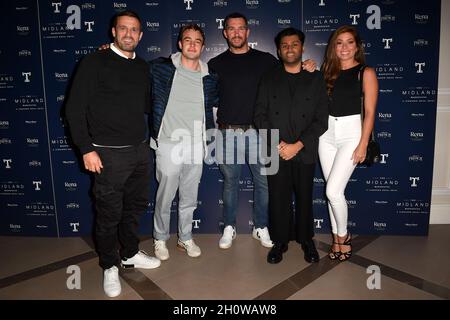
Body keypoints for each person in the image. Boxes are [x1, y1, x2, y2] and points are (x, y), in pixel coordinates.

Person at [65, 11, 161, 298]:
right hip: (106, 154)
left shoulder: (143, 67)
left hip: (139, 151)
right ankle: (109, 265)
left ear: (141, 35)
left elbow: (147, 105)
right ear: (113, 32)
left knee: (133, 209)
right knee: (108, 214)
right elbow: (73, 108)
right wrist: (86, 149)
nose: (129, 34)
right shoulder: (94, 62)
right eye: (124, 29)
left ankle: (130, 252)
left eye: (134, 30)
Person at [208, 12, 315, 250]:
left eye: (241, 28)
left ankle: (261, 226)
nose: (236, 33)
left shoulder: (266, 60)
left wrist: (308, 65)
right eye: (231, 29)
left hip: (260, 133)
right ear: (225, 33)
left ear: (248, 32)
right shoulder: (215, 64)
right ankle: (229, 226)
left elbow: (291, 68)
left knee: (264, 183)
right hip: (227, 133)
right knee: (230, 182)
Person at [254, 27, 329, 264]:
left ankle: (307, 240)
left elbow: (321, 119)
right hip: (276, 150)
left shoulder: (315, 77)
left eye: (294, 44)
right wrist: (280, 144)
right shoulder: (268, 77)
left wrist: (298, 145)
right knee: (278, 197)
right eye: (285, 45)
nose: (289, 48)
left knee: (305, 196)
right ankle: (280, 242)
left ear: (302, 47)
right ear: (278, 49)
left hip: (304, 150)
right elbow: (260, 116)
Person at [150, 24, 219, 261]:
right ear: (180, 44)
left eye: (197, 41)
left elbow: (214, 107)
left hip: (195, 144)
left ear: (202, 46)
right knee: (165, 195)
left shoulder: (209, 77)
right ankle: (160, 238)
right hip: (168, 142)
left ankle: (185, 237)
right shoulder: (160, 68)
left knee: (189, 196)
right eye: (187, 40)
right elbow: (130, 67)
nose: (192, 44)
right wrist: (109, 50)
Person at [319, 25, 378, 261]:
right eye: (339, 42)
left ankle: (343, 237)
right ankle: (336, 238)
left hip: (351, 133)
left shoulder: (366, 72)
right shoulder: (326, 71)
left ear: (357, 46)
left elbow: (371, 112)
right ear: (334, 47)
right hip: (326, 134)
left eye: (349, 42)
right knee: (333, 192)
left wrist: (363, 143)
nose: (344, 47)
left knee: (332, 190)